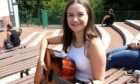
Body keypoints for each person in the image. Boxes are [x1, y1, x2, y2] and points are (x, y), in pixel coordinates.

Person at [34, 0, 106, 84]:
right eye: (70, 15)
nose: (75, 19)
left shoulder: (94, 44)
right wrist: (41, 61)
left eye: (80, 14)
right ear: (66, 18)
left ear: (88, 16)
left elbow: (100, 80)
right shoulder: (71, 37)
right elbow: (45, 40)